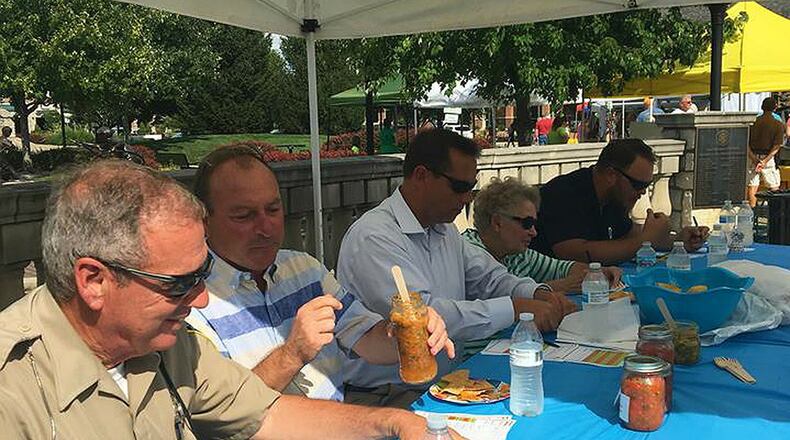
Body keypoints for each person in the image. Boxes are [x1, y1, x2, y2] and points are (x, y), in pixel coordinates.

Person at [0, 160, 431, 440]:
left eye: (203, 274)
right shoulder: (12, 383)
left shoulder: (167, 343)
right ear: (93, 281)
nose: (203, 298)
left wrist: (393, 423)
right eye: (179, 283)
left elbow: (267, 413)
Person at [186, 145, 453, 405]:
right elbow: (221, 415)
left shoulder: (304, 269)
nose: (265, 227)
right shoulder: (191, 302)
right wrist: (292, 354)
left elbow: (369, 341)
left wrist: (407, 331)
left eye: (273, 209)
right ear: (204, 221)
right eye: (244, 216)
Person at [336, 129, 576, 407]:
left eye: (471, 189)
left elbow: (490, 277)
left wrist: (538, 294)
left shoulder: (443, 228)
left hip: (443, 383)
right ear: (421, 176)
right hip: (386, 395)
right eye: (459, 188)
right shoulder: (374, 237)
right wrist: (516, 308)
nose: (467, 199)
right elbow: (430, 318)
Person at [531, 139, 709, 265]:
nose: (643, 192)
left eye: (646, 185)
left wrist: (677, 241)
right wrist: (645, 241)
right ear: (611, 175)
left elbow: (629, 235)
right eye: (638, 184)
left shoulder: (614, 198)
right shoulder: (565, 193)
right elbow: (572, 252)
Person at [463, 177, 622, 292]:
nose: (533, 232)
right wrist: (556, 287)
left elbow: (561, 268)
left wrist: (598, 273)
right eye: (527, 224)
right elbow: (495, 298)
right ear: (497, 223)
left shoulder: (517, 254)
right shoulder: (470, 253)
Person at [746, 97, 784, 206]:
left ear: (762, 107)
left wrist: (754, 158)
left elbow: (746, 143)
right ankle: (774, 212)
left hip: (752, 155)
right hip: (768, 157)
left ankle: (752, 212)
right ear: (775, 107)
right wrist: (765, 161)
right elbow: (777, 146)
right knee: (773, 186)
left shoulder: (753, 123)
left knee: (752, 185)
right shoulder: (778, 124)